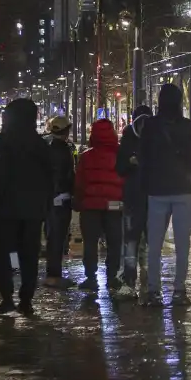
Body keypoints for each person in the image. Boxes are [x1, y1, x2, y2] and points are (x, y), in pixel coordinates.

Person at [0, 99, 55, 316]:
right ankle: (26, 299)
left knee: (0, 254)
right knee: (29, 255)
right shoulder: (40, 144)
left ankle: (6, 297)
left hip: (5, 209)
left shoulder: (5, 142)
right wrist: (45, 205)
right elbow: (49, 178)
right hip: (32, 211)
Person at [140, 83, 191, 307]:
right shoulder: (187, 126)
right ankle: (179, 290)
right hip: (183, 190)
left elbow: (144, 158)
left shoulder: (151, 126)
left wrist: (145, 185)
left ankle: (154, 291)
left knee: (154, 244)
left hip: (157, 190)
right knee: (182, 244)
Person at [73, 119, 124, 292]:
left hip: (90, 205)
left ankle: (91, 277)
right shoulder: (120, 154)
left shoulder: (86, 156)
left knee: (90, 242)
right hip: (114, 205)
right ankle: (112, 277)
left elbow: (79, 183)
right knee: (114, 241)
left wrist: (79, 201)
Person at [115, 105, 152, 299]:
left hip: (151, 198)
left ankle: (150, 281)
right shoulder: (128, 139)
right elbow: (119, 167)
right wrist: (130, 162)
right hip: (134, 198)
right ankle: (130, 281)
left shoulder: (156, 138)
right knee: (131, 243)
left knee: (150, 242)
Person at [43, 115, 76, 288]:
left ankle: (53, 273)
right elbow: (67, 175)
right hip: (60, 199)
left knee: (52, 236)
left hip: (50, 198)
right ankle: (54, 275)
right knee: (57, 237)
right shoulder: (63, 149)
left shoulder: (47, 148)